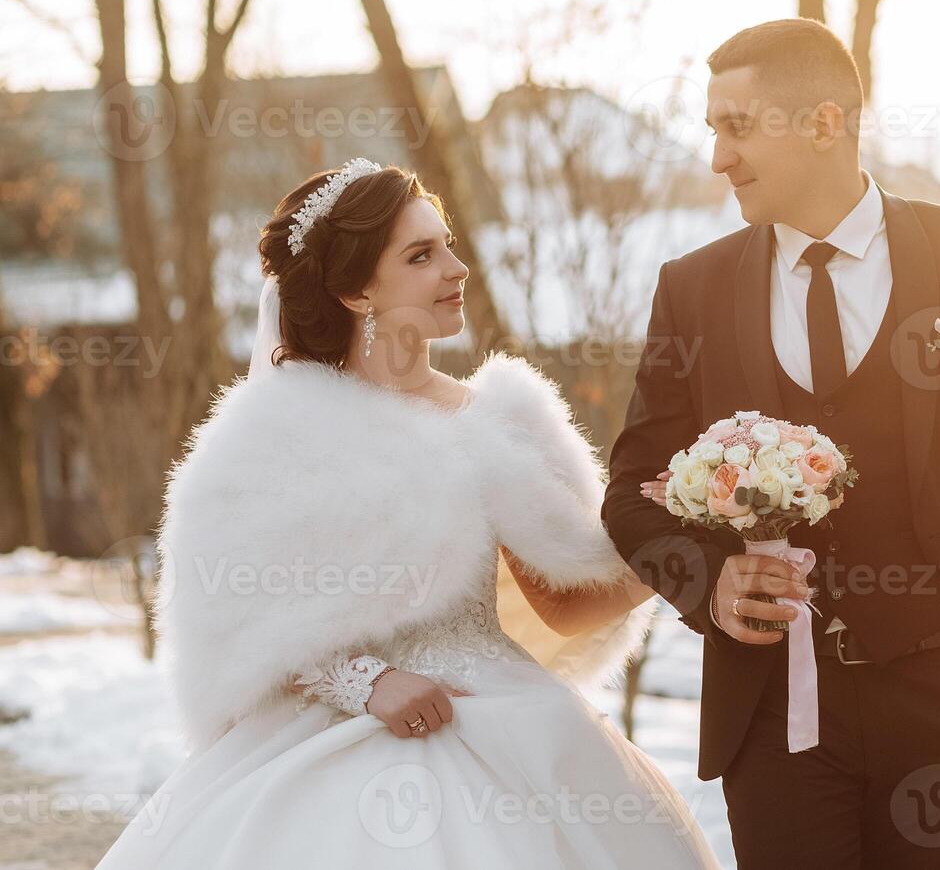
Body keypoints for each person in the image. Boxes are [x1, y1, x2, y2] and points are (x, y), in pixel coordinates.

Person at [96, 160, 719, 869]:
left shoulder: (499, 418)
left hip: (512, 721)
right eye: (421, 256)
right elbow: (236, 617)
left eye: (447, 245)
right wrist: (368, 683)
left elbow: (567, 604)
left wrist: (680, 529)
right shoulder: (279, 429)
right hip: (330, 743)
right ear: (355, 290)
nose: (456, 269)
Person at [603, 19, 940, 868]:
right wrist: (711, 589)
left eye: (738, 126)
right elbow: (634, 490)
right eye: (712, 128)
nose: (718, 156)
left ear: (826, 123)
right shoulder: (695, 289)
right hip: (775, 719)